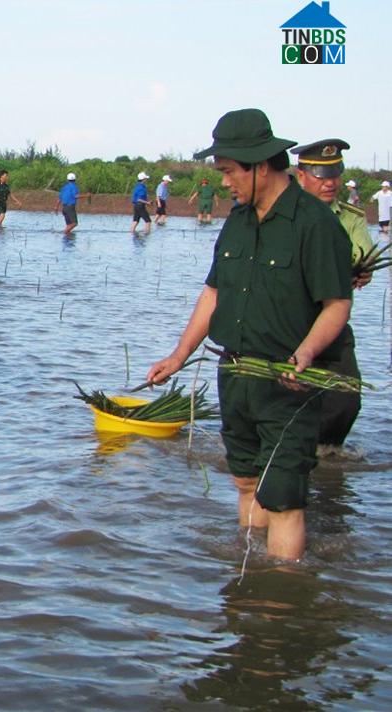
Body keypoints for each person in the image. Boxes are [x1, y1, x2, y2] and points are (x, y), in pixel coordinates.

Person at [146, 108, 352, 561]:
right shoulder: (237, 221)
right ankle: (248, 586)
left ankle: (278, 603)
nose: (224, 182)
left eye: (227, 172)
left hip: (286, 381)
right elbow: (214, 292)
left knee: (283, 497)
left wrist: (306, 352)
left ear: (260, 166)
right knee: (245, 482)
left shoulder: (314, 225)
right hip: (235, 374)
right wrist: (179, 355)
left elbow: (337, 304)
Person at [291, 139, 373, 451]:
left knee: (345, 400)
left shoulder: (350, 216)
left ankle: (325, 461)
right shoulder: (286, 213)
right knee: (286, 395)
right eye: (322, 176)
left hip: (331, 318)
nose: (331, 183)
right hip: (289, 321)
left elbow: (362, 255)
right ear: (301, 176)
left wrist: (362, 270)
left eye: (335, 174)